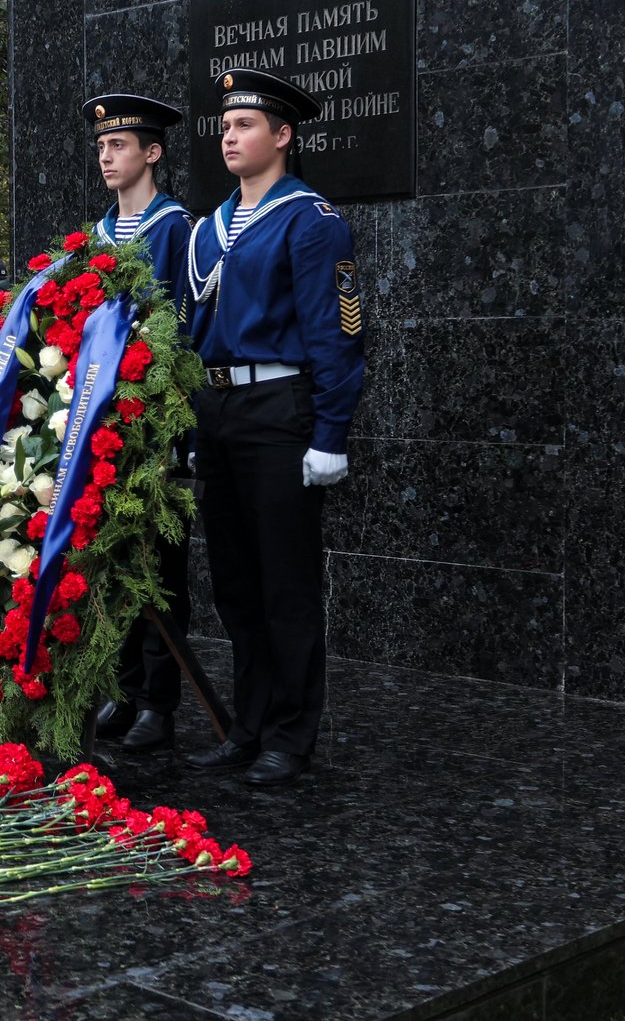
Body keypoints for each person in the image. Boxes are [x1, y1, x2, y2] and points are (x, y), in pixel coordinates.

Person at [183, 69, 364, 786]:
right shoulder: (208, 226)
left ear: (283, 136)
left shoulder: (310, 219)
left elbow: (337, 335)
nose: (230, 136)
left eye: (246, 125)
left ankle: (291, 732)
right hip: (221, 410)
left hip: (280, 411)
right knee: (235, 583)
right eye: (225, 126)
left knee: (285, 582)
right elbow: (195, 331)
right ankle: (247, 725)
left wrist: (330, 435)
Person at [82, 92, 197, 753]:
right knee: (112, 557)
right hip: (103, 420)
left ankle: (160, 699)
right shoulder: (97, 236)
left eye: (119, 145)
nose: (107, 155)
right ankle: (122, 690)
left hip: (152, 418)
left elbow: (181, 327)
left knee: (158, 564)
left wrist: (174, 426)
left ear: (152, 153)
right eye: (101, 146)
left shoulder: (174, 227)